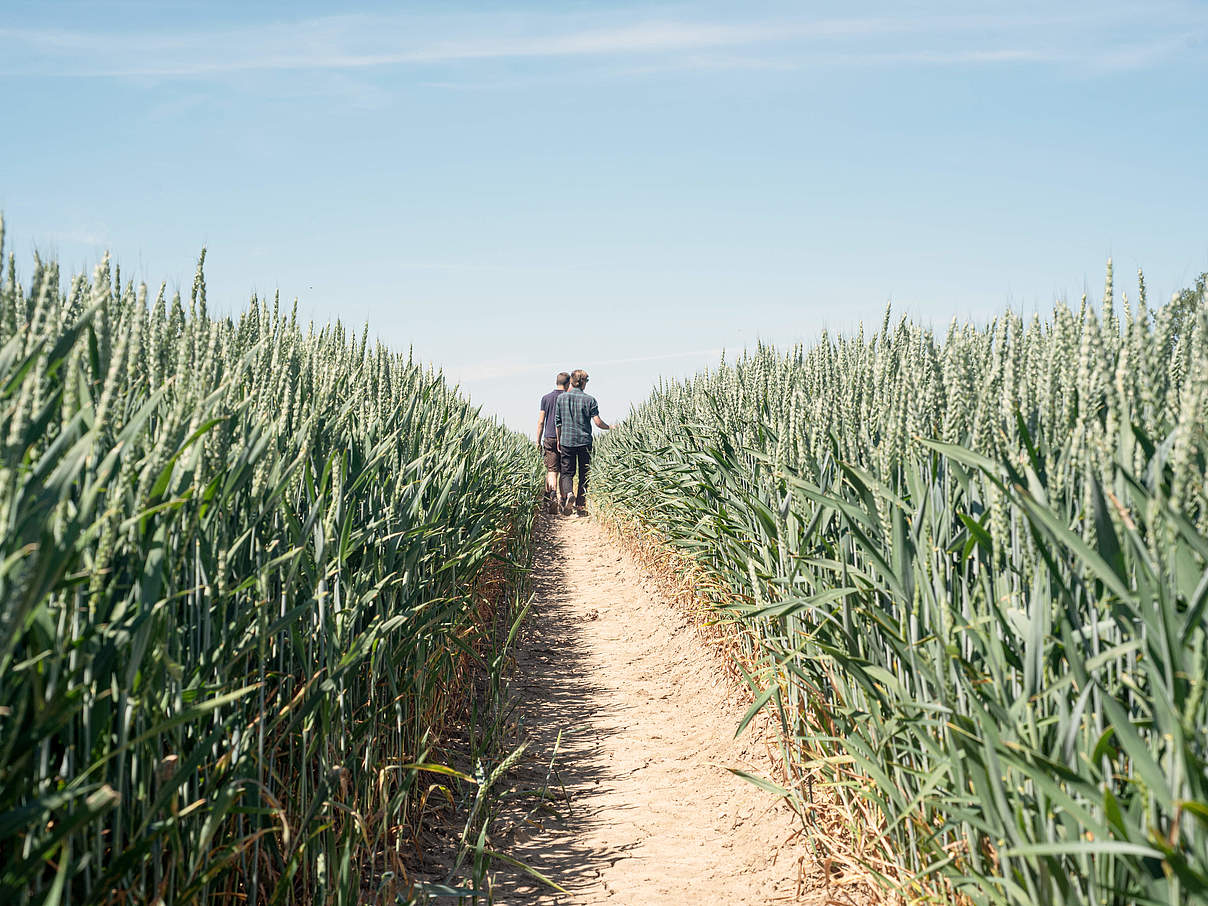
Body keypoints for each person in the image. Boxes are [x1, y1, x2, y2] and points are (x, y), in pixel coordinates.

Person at [554, 369, 610, 516]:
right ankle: (580, 506)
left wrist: (559, 440)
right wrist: (610, 427)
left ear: (572, 381)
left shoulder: (561, 399)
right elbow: (597, 422)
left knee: (567, 472)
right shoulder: (590, 400)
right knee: (584, 474)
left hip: (566, 440)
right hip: (584, 441)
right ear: (583, 382)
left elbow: (558, 422)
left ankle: (569, 493)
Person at [537, 372, 570, 514]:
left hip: (549, 437)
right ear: (568, 383)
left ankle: (552, 497)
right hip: (565, 438)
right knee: (564, 471)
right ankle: (563, 501)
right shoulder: (568, 399)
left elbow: (541, 421)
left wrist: (538, 440)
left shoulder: (546, 398)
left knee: (551, 470)